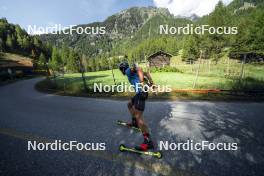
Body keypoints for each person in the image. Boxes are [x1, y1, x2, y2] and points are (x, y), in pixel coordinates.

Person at [119, 61, 154, 151]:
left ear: (122, 69)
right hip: (140, 93)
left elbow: (139, 69)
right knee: (129, 104)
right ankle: (135, 123)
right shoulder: (131, 72)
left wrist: (142, 82)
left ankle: (148, 142)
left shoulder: (127, 71)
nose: (121, 72)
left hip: (141, 93)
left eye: (120, 70)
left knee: (139, 118)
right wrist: (151, 83)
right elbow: (146, 73)